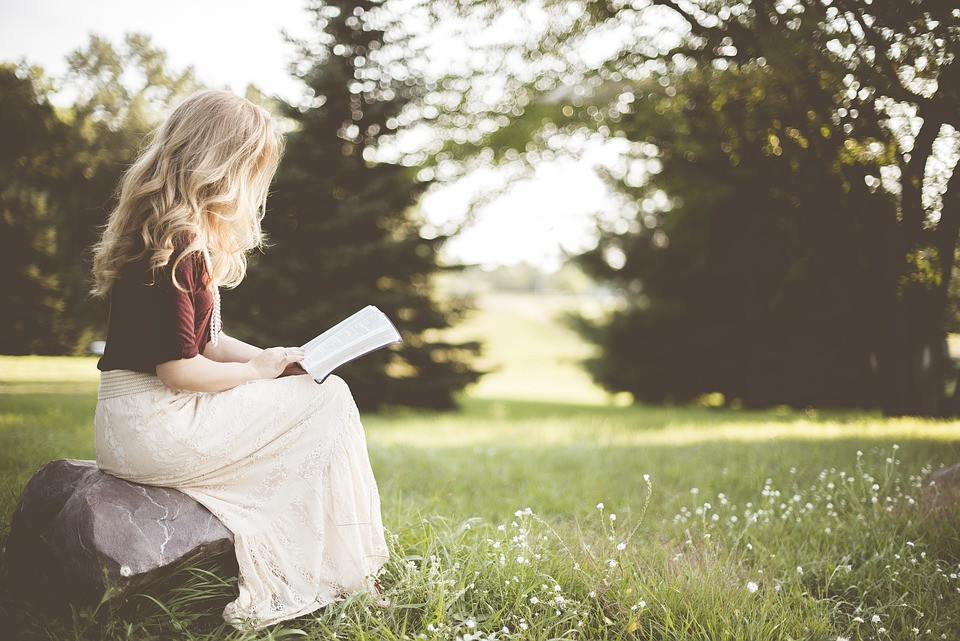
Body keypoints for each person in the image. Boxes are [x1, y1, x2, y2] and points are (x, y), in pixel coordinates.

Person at [89, 89, 390, 630]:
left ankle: (336, 564)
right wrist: (255, 374)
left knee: (317, 391)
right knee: (332, 399)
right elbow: (179, 371)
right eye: (250, 167)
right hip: (155, 424)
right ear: (220, 163)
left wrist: (277, 358)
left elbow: (209, 343)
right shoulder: (179, 241)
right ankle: (340, 569)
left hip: (132, 423)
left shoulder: (168, 230)